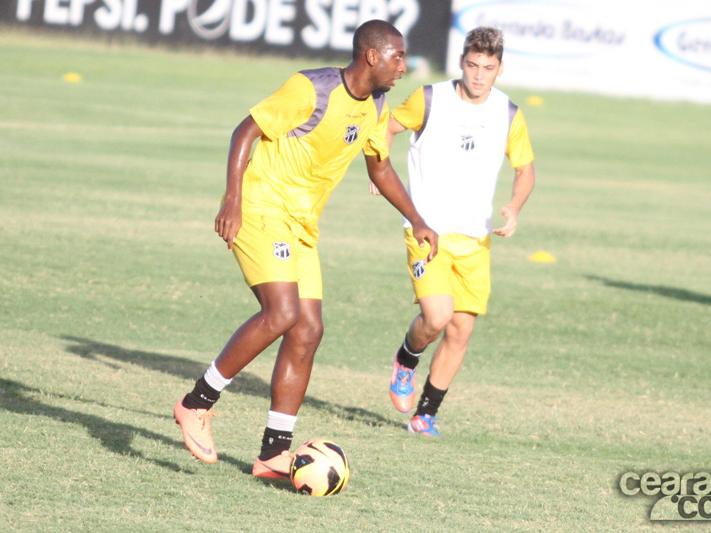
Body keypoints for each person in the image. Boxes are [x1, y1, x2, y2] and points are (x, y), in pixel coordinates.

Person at [173, 19, 438, 477]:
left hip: (301, 225)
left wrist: (418, 220)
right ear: (371, 56)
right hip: (260, 207)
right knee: (282, 314)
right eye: (397, 57)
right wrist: (233, 199)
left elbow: (380, 169)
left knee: (308, 330)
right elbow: (245, 131)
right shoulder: (310, 89)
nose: (403, 66)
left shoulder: (377, 107)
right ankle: (196, 402)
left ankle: (274, 451)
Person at [375, 26, 535, 437]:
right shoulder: (430, 99)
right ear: (461, 62)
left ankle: (426, 414)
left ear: (500, 69)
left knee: (461, 329)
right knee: (438, 316)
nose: (479, 75)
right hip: (426, 231)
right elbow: (388, 127)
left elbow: (525, 168)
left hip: (475, 238)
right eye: (472, 65)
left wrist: (514, 207)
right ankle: (407, 358)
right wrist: (381, 170)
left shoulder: (508, 113)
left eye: (488, 67)